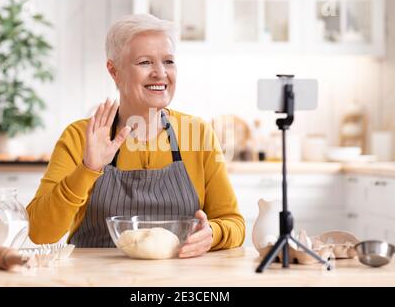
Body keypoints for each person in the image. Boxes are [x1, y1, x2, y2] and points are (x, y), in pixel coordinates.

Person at [27, 14, 245, 258]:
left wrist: (212, 234)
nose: (160, 73)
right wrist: (89, 168)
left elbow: (233, 223)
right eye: (144, 62)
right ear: (114, 71)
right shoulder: (80, 137)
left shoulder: (198, 133)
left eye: (169, 61)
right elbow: (40, 232)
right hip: (94, 280)